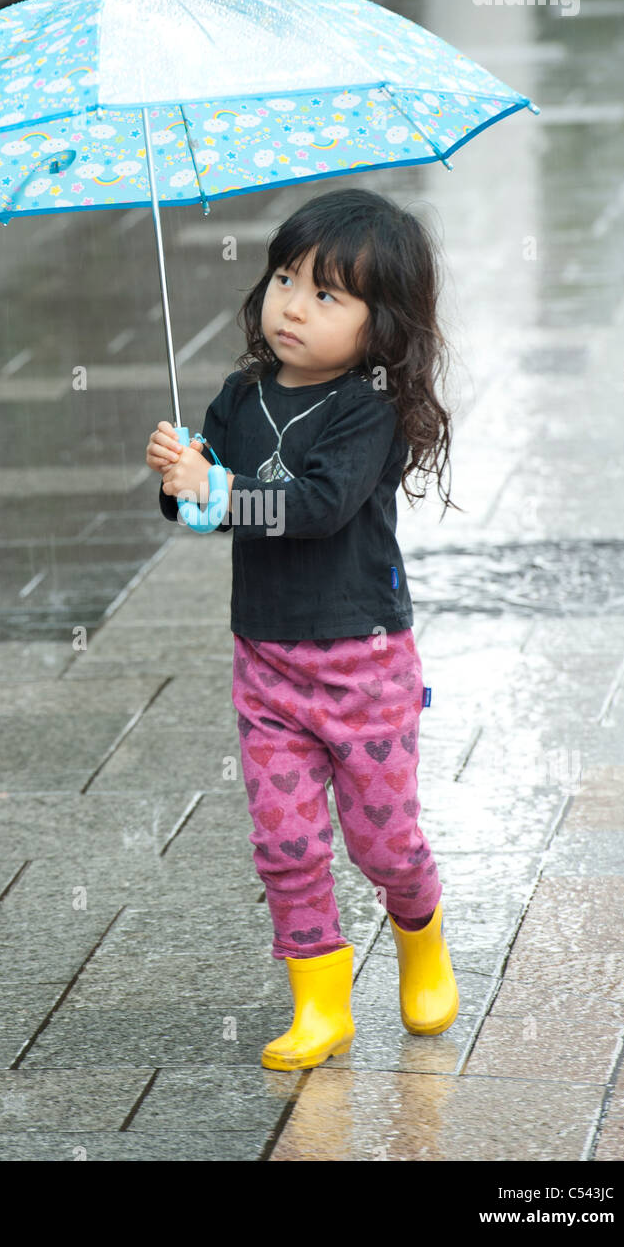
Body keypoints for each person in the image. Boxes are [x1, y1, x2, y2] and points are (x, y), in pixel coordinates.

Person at [145, 187, 462, 1072]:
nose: (292, 304)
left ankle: (421, 939)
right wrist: (183, 476)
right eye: (285, 278)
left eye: (327, 295)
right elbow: (196, 513)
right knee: (284, 844)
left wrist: (219, 495)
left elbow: (317, 508)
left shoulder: (367, 409)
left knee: (383, 842)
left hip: (362, 659)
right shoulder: (240, 395)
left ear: (381, 323)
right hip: (266, 661)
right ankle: (319, 1004)